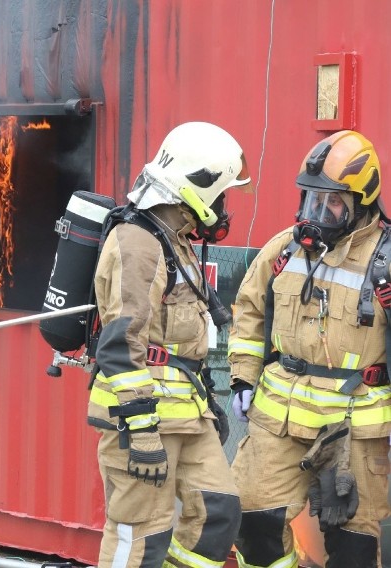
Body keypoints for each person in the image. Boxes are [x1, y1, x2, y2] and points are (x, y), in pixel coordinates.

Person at [88, 121, 251, 567]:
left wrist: (204, 402)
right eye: (221, 193)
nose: (222, 206)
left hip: (184, 414)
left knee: (218, 511)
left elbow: (179, 344)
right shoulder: (139, 242)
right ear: (197, 189)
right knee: (140, 535)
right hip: (141, 420)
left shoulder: (172, 240)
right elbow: (122, 344)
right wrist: (140, 428)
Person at [228, 130, 391, 568]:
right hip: (278, 417)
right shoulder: (284, 249)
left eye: (332, 202)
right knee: (252, 518)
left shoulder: (386, 263)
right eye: (312, 198)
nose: (317, 211)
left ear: (361, 201)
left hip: (356, 426)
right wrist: (243, 376)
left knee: (354, 545)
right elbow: (248, 312)